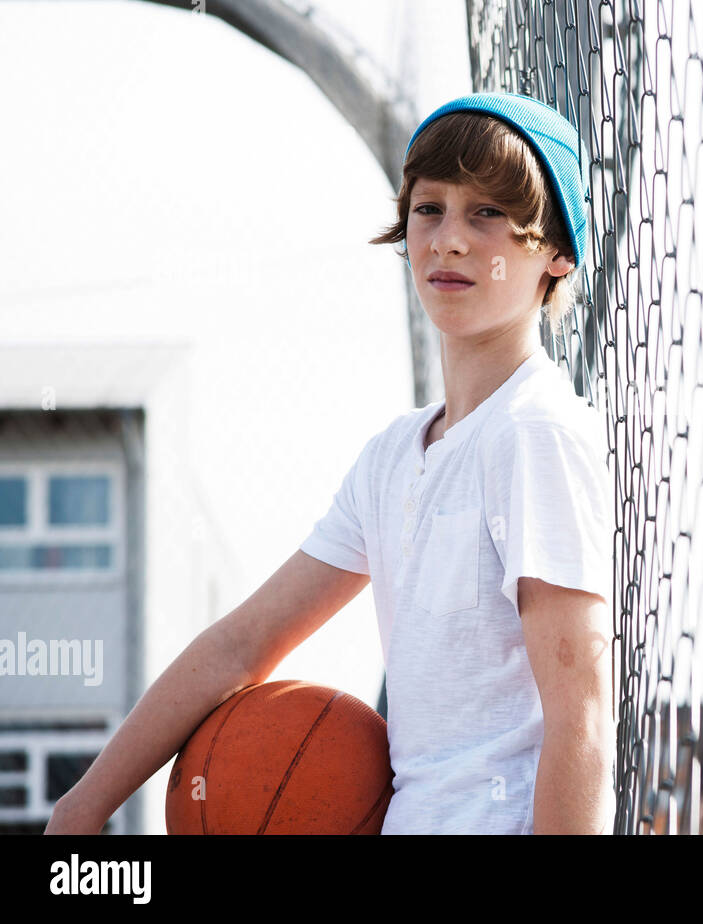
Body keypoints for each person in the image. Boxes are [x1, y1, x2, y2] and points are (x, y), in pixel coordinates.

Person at [45, 91, 616, 835]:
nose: (448, 240)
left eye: (487, 214)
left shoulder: (536, 433)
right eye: (429, 209)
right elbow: (240, 645)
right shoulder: (391, 459)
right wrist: (83, 806)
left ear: (557, 253)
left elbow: (582, 718)